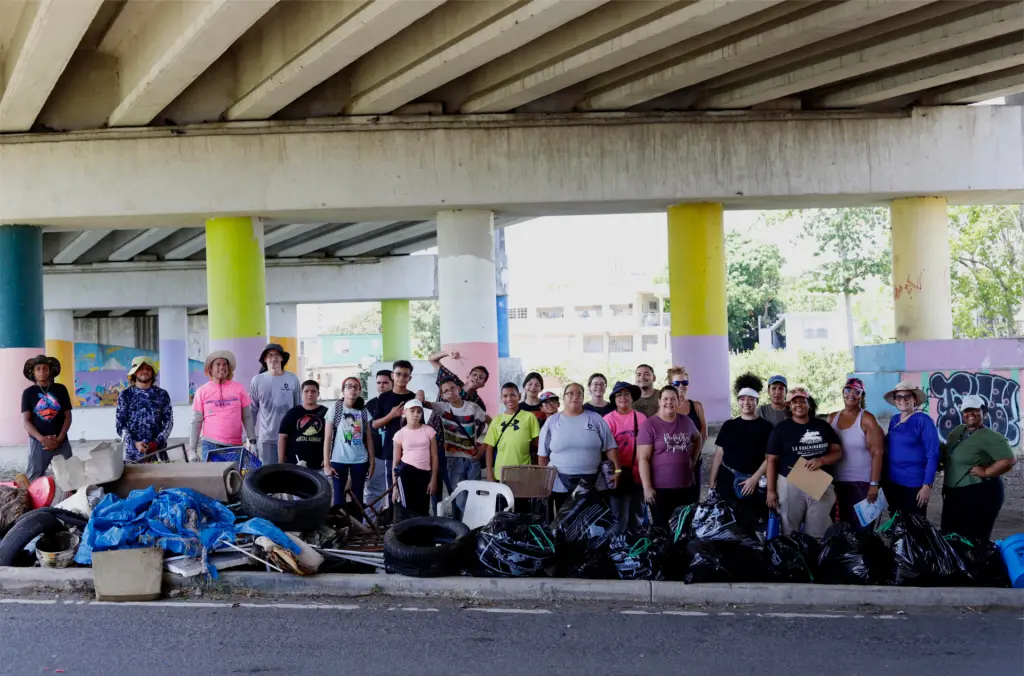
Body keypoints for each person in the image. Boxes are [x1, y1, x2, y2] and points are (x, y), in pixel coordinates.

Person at [766, 387, 842, 538]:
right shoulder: (781, 429)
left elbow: (837, 452)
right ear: (789, 405)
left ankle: (814, 560)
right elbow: (771, 460)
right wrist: (771, 490)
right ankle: (794, 560)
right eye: (794, 402)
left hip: (819, 483)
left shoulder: (822, 426)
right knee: (789, 530)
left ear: (809, 404)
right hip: (790, 483)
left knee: (818, 531)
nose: (798, 405)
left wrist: (821, 460)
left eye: (802, 401)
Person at [940, 395, 1016, 541]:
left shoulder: (989, 436)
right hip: (955, 494)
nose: (970, 414)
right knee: (951, 537)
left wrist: (987, 471)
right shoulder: (958, 431)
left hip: (979, 493)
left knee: (974, 540)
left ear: (983, 412)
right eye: (967, 411)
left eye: (975, 410)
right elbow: (951, 453)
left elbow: (1009, 459)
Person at [538, 383, 620, 508]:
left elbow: (610, 447)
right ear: (564, 398)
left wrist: (618, 470)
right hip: (560, 483)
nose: (574, 396)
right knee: (565, 522)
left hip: (594, 480)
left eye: (579, 394)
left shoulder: (595, 419)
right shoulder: (552, 421)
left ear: (583, 398)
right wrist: (544, 481)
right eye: (570, 393)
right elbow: (543, 455)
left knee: (592, 522)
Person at [636, 386, 703, 529]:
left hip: (686, 486)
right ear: (659, 401)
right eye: (665, 399)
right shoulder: (649, 425)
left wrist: (693, 460)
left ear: (678, 401)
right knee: (663, 530)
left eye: (673, 399)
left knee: (685, 528)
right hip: (661, 490)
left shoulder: (686, 421)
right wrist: (647, 487)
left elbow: (698, 439)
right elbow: (643, 458)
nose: (669, 402)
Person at [827, 378, 885, 530]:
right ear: (843, 392)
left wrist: (874, 485)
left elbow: (878, 453)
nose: (851, 394)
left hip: (862, 485)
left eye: (856, 391)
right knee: (840, 530)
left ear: (862, 395)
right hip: (836, 484)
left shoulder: (867, 419)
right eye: (848, 390)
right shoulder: (832, 418)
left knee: (861, 532)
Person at [709, 374, 773, 509]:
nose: (746, 403)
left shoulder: (766, 427)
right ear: (738, 401)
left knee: (751, 523)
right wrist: (712, 481)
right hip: (727, 480)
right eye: (742, 399)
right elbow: (719, 454)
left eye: (751, 399)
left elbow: (770, 458)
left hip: (752, 483)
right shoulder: (728, 425)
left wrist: (754, 479)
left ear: (757, 401)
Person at [421, 377, 489, 498]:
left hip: (473, 458)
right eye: (446, 391)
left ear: (458, 389)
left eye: (453, 388)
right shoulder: (443, 407)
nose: (450, 392)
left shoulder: (472, 407)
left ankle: (471, 517)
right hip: (453, 459)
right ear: (442, 395)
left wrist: (483, 447)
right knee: (460, 497)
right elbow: (422, 403)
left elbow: (493, 424)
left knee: (475, 495)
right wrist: (420, 392)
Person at [883, 381, 939, 517]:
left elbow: (933, 455)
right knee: (896, 525)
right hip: (893, 482)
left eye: (907, 396)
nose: (903, 400)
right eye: (899, 397)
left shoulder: (923, 421)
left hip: (914, 485)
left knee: (915, 527)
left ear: (914, 399)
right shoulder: (894, 420)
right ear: (895, 401)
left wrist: (927, 485)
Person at [189, 351, 256, 461]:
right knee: (213, 478)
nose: (222, 367)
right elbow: (196, 421)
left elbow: (247, 417)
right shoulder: (202, 391)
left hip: (235, 446)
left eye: (225, 364)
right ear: (210, 369)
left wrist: (252, 441)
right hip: (210, 445)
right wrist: (192, 450)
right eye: (218, 364)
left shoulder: (239, 388)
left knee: (234, 478)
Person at [367, 360, 417, 505]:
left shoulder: (413, 398)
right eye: (398, 374)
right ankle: (393, 522)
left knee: (410, 487)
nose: (402, 378)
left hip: (412, 450)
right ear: (392, 375)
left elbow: (421, 425)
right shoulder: (383, 398)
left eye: (405, 375)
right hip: (390, 450)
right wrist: (391, 415)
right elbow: (374, 425)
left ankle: (408, 520)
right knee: (392, 488)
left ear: (410, 378)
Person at [324, 377, 375, 509]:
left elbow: (369, 438)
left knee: (358, 497)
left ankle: (358, 527)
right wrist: (327, 464)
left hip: (360, 460)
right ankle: (340, 527)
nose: (352, 389)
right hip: (338, 459)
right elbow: (328, 437)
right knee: (339, 499)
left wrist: (372, 462)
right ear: (343, 390)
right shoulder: (335, 408)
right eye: (349, 386)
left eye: (356, 387)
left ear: (359, 391)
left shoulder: (363, 411)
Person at [21, 355, 74, 481]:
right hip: (38, 442)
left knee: (70, 475)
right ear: (33, 373)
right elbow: (26, 421)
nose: (42, 371)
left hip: (61, 441)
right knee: (34, 477)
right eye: (38, 369)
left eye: (45, 368)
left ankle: (70, 499)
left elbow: (68, 416)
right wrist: (42, 439)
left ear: (50, 371)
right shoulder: (28, 393)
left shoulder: (61, 389)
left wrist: (60, 438)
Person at [603, 381, 647, 532]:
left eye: (626, 394)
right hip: (618, 476)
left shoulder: (641, 418)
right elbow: (605, 449)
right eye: (619, 395)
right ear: (614, 399)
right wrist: (615, 471)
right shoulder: (608, 419)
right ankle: (618, 549)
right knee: (619, 517)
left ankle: (636, 549)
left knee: (638, 515)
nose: (623, 397)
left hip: (639, 475)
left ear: (632, 397)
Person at [249, 343, 301, 466]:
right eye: (269, 355)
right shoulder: (257, 380)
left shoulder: (292, 379)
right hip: (266, 439)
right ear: (265, 359)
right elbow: (252, 411)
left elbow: (298, 409)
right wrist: (251, 440)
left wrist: (299, 435)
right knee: (268, 475)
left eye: (277, 355)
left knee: (288, 474)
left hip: (289, 437)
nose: (273, 358)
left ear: (282, 358)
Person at [115, 356, 173, 464]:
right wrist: (134, 443)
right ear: (134, 372)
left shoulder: (162, 395)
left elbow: (168, 423)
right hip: (132, 457)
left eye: (148, 368)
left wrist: (156, 443)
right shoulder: (125, 395)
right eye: (141, 368)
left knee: (161, 481)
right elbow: (120, 426)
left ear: (152, 372)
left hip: (158, 454)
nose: (145, 371)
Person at [482, 382, 540, 482]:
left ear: (519, 396)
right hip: (500, 473)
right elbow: (489, 448)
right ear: (501, 399)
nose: (509, 399)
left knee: (522, 498)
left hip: (523, 472)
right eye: (505, 396)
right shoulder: (497, 420)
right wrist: (489, 474)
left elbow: (536, 445)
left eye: (513, 395)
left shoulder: (529, 417)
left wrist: (535, 470)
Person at [391, 400, 439, 519]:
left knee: (423, 508)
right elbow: (395, 462)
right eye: (412, 411)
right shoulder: (399, 434)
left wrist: (433, 479)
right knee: (407, 509)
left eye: (419, 412)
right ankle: (407, 536)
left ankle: (421, 535)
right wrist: (394, 487)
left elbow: (434, 456)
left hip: (424, 474)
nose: (415, 414)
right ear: (404, 413)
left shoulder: (429, 431)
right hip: (406, 473)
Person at [277, 380, 328, 469]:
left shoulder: (326, 413)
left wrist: (328, 459)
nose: (310, 394)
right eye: (306, 391)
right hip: (294, 464)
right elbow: (282, 437)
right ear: (302, 393)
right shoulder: (292, 413)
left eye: (313, 391)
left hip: (319, 465)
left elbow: (332, 438)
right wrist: (281, 462)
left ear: (318, 394)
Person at [363, 369, 394, 505]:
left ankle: (397, 522)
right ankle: (371, 523)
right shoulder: (369, 405)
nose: (381, 385)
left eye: (385, 383)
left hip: (397, 455)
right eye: (379, 383)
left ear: (393, 383)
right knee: (373, 490)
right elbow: (367, 430)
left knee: (396, 489)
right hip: (377, 455)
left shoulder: (401, 402)